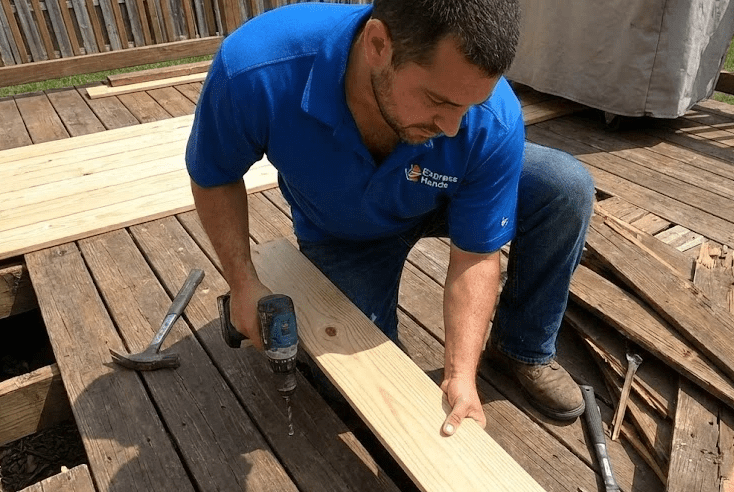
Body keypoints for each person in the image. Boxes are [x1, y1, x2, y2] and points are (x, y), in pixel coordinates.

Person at [186, 0, 595, 436]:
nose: (454, 127)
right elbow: (215, 177)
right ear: (378, 45)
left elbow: (475, 255)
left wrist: (460, 374)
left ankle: (522, 348)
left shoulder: (490, 121)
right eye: (438, 100)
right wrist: (243, 283)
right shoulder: (257, 69)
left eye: (469, 105)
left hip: (444, 197)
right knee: (357, 391)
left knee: (563, 186)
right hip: (345, 233)